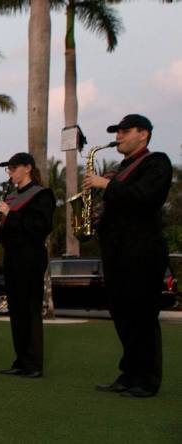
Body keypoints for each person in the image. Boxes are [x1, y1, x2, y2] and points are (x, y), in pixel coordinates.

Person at [84, 114, 172, 398]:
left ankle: (147, 380)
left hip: (142, 251)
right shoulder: (122, 168)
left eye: (124, 131)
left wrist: (107, 185)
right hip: (117, 252)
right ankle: (129, 373)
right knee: (122, 315)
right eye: (117, 132)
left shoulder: (157, 162)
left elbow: (146, 198)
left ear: (143, 134)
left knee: (142, 315)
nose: (118, 137)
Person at [0, 153, 55, 378]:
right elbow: (9, 234)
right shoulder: (10, 198)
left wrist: (11, 215)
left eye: (13, 168)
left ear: (28, 168)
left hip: (31, 258)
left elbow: (40, 227)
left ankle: (33, 364)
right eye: (8, 169)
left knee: (30, 310)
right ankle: (20, 360)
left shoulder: (42, 195)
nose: (10, 172)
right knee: (17, 311)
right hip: (12, 259)